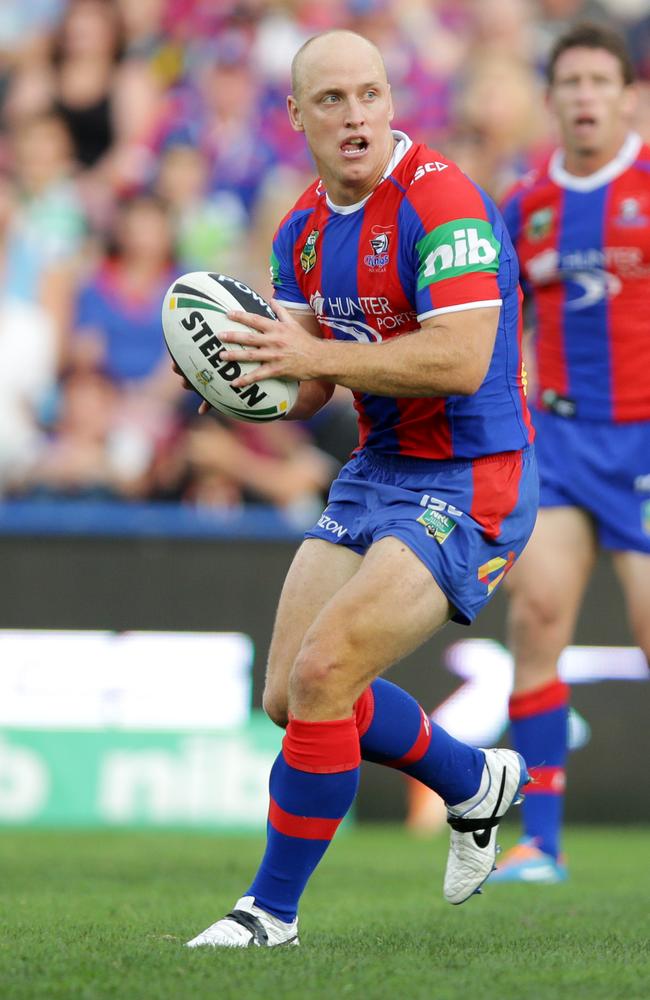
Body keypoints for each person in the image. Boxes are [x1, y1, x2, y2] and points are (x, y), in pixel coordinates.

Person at [182, 29, 538, 948]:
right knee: (289, 697)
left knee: (326, 671)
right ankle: (474, 781)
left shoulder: (444, 202)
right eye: (332, 100)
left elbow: (461, 362)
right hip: (376, 469)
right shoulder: (302, 228)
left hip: (470, 474)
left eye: (371, 95)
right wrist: (238, 377)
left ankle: (269, 913)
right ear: (296, 116)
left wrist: (310, 356)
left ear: (392, 101)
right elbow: (306, 389)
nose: (356, 117)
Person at [493, 22, 650, 884]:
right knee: (538, 614)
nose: (586, 95)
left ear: (627, 94)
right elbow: (491, 323)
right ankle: (539, 842)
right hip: (559, 438)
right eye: (572, 81)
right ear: (551, 97)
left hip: (646, 438)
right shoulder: (522, 206)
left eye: (601, 81)